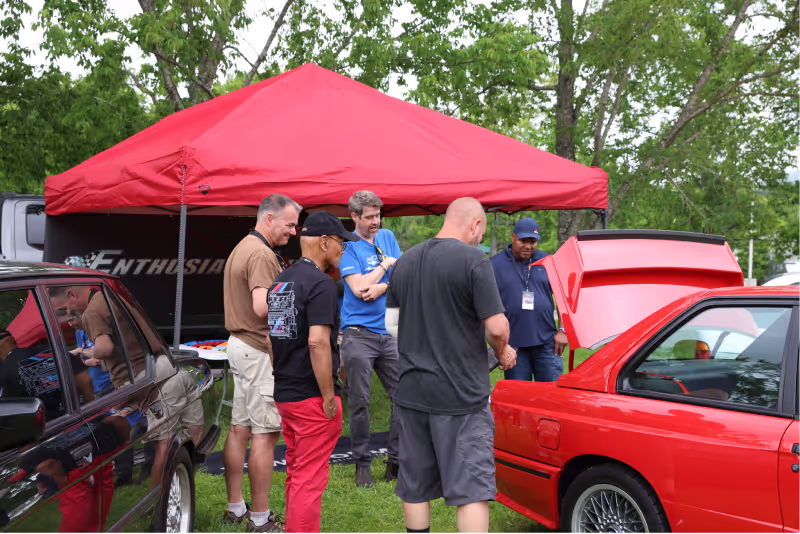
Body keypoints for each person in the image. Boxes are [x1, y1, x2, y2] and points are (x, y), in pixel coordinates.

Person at [385, 198, 517, 533]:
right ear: (475, 225)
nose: (479, 239)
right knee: (471, 488)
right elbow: (496, 328)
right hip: (462, 396)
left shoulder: (404, 261)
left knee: (415, 484)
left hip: (412, 392)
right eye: (480, 233)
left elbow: (391, 324)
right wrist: (502, 350)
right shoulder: (474, 260)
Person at [268, 211, 359, 532]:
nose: (342, 250)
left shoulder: (280, 281)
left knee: (297, 473)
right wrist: (328, 396)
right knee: (309, 480)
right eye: (340, 243)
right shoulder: (322, 285)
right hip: (311, 398)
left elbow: (271, 339)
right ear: (323, 242)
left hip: (286, 393)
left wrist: (282, 374)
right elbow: (318, 342)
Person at [222, 193, 301, 532]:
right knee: (265, 434)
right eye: (290, 225)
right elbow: (262, 306)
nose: (293, 232)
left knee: (239, 429)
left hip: (239, 345)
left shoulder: (243, 246)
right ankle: (260, 518)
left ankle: (235, 507)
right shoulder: (261, 254)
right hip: (257, 348)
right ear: (269, 218)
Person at [338, 191, 402, 487]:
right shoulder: (347, 246)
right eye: (370, 217)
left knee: (404, 396)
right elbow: (360, 288)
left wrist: (383, 287)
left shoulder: (388, 236)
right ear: (355, 217)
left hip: (389, 331)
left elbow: (403, 276)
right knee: (360, 401)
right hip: (358, 334)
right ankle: (362, 464)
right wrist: (385, 266)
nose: (376, 222)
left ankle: (396, 461)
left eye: (378, 215)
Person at [489, 218, 568, 382]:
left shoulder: (549, 262)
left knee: (551, 393)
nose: (528, 246)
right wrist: (499, 344)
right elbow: (487, 304)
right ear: (513, 237)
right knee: (518, 395)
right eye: (523, 241)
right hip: (513, 345)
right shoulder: (494, 264)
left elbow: (563, 297)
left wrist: (563, 330)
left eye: (533, 242)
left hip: (547, 343)